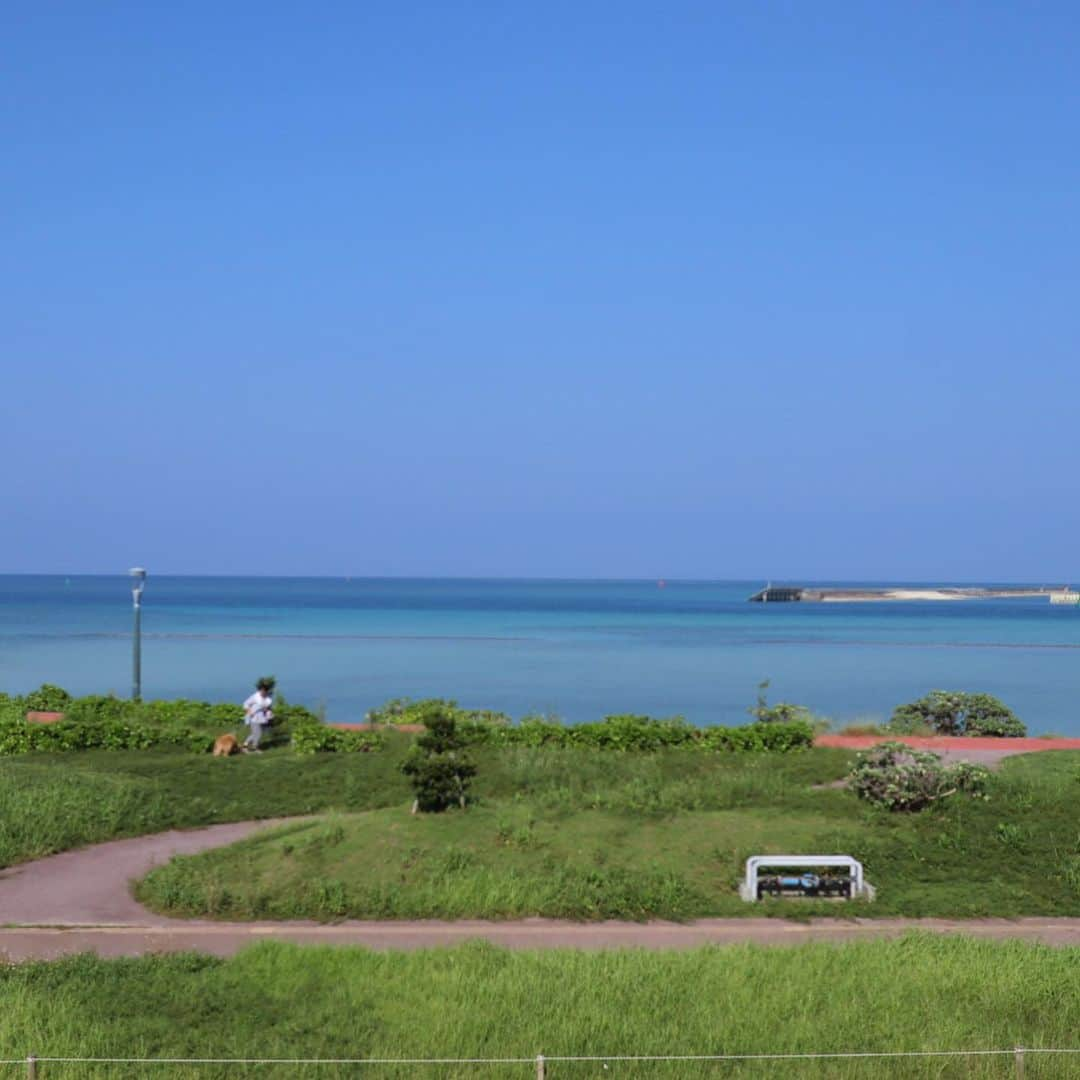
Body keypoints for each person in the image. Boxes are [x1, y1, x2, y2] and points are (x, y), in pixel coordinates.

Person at [242, 677, 275, 752]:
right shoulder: (255, 697)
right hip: (254, 717)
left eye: (264, 691)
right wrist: (249, 712)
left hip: (263, 718)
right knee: (258, 733)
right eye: (261, 690)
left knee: (256, 733)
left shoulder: (268, 699)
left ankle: (245, 745)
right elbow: (245, 704)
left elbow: (268, 707)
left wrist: (269, 713)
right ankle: (255, 747)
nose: (262, 692)